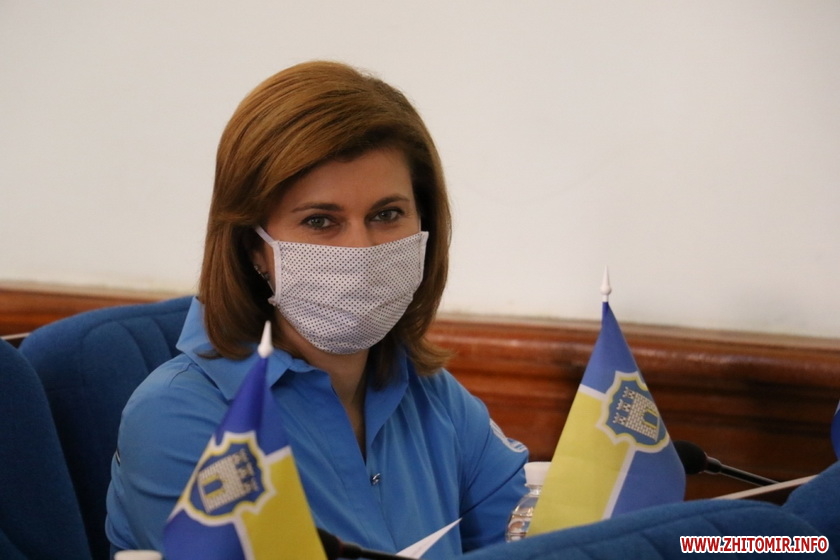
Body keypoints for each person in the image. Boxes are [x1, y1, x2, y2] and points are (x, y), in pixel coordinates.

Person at [105, 60, 528, 558]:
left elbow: (532, 540)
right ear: (254, 246)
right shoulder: (179, 417)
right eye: (321, 221)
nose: (361, 250)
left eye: (387, 214)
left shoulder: (431, 394)